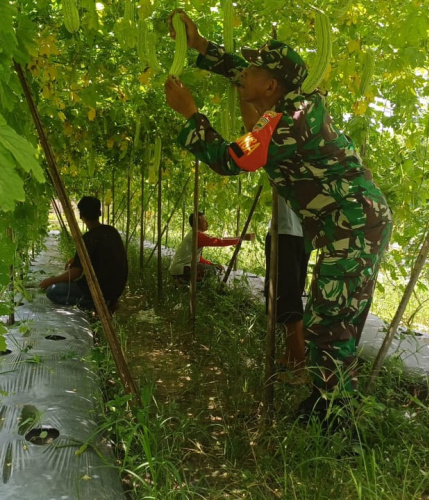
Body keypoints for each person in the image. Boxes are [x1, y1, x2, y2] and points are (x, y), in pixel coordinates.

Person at [164, 11, 393, 418]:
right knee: (333, 316)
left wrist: (191, 114)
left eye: (253, 70)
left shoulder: (287, 121)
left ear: (270, 85)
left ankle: (337, 418)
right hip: (350, 223)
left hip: (354, 226)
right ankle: (327, 401)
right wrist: (200, 46)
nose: (243, 73)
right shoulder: (287, 102)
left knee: (329, 319)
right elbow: (238, 71)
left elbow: (229, 159)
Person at [40, 196, 128, 311]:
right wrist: (77, 259)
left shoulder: (88, 238)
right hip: (116, 289)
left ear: (81, 216)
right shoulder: (111, 231)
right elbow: (102, 257)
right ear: (99, 213)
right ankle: (107, 301)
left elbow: (76, 272)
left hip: (98, 289)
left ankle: (96, 304)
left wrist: (51, 280)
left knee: (53, 291)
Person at [266, 197, 311, 385]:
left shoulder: (286, 167)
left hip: (285, 232)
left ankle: (300, 368)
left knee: (286, 299)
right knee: (291, 295)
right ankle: (290, 357)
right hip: (302, 235)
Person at [169, 211, 255, 282]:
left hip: (179, 268)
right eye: (204, 221)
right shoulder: (197, 235)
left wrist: (211, 264)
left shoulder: (194, 234)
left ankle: (185, 282)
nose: (207, 223)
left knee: (211, 268)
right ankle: (183, 282)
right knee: (211, 271)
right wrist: (242, 238)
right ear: (197, 223)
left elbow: (197, 258)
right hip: (181, 269)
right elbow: (219, 241)